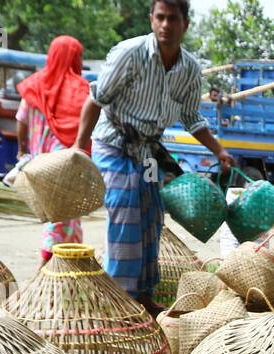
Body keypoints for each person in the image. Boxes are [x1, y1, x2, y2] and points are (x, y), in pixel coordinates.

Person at [73, 0, 234, 317]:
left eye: (173, 19)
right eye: (160, 17)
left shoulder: (189, 68)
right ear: (151, 19)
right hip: (113, 144)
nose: (165, 25)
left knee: (151, 218)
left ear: (185, 24)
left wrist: (219, 150)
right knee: (127, 211)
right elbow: (96, 100)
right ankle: (119, 301)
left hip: (148, 151)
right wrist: (79, 148)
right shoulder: (129, 54)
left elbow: (191, 117)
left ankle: (143, 295)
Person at [16, 36, 91, 264]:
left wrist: (21, 152)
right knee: (61, 217)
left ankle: (68, 267)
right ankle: (46, 268)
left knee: (60, 216)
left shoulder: (33, 86)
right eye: (78, 55)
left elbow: (20, 120)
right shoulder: (80, 89)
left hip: (40, 165)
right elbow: (89, 125)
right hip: (66, 165)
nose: (80, 59)